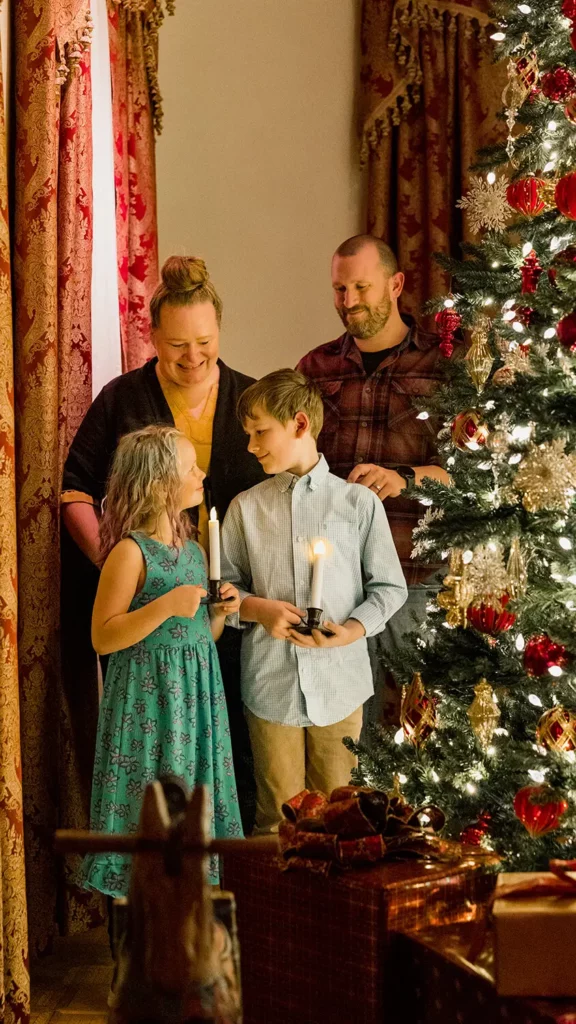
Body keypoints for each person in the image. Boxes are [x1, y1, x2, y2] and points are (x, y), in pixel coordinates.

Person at [61, 256, 265, 828]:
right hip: (145, 632)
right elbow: (73, 490)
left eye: (205, 341)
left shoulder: (252, 401)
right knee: (149, 765)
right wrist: (121, 562)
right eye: (177, 345)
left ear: (220, 331)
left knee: (224, 750)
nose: (193, 356)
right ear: (151, 336)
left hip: (223, 605)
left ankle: (216, 895)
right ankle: (144, 898)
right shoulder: (122, 398)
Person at [220, 369, 407, 833]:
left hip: (340, 687)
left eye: (260, 432)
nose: (251, 445)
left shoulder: (358, 505)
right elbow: (223, 586)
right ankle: (277, 906)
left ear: (300, 424)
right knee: (277, 821)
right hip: (269, 684)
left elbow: (389, 587)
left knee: (345, 819)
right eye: (248, 434)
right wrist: (256, 608)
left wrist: (351, 630)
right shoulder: (246, 507)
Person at [296, 234, 451, 727]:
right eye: (340, 289)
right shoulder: (313, 369)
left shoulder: (444, 366)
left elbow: (474, 474)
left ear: (395, 285)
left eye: (361, 287)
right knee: (344, 736)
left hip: (415, 579)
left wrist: (404, 477)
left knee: (413, 732)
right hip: (336, 584)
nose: (349, 302)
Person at [82, 425, 243, 896]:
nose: (202, 474)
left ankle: (189, 902)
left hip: (195, 698)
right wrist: (165, 605)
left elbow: (200, 637)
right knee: (148, 793)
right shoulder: (130, 553)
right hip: (146, 700)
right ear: (157, 485)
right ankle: (142, 912)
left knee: (191, 792)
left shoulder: (194, 551)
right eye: (190, 468)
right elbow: (102, 637)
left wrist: (218, 613)